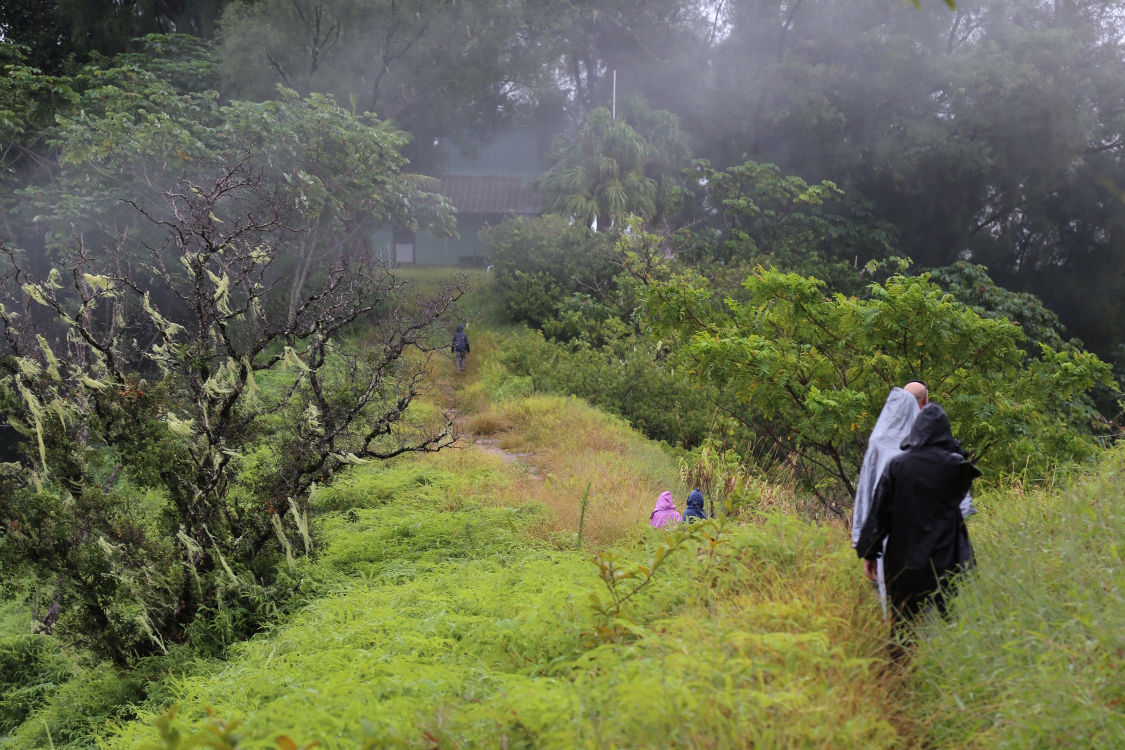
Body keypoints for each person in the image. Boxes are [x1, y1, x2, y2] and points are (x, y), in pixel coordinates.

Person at [856, 403, 981, 637]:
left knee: (902, 626)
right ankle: (943, 665)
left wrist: (870, 553)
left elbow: (880, 513)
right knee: (948, 625)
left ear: (916, 431)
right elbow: (966, 471)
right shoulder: (956, 467)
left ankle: (901, 669)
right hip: (945, 559)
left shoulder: (897, 465)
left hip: (904, 561)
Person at [851, 387, 919, 608]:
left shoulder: (878, 442)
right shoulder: (923, 445)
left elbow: (867, 496)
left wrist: (867, 543)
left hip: (886, 531)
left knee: (891, 602)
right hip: (921, 532)